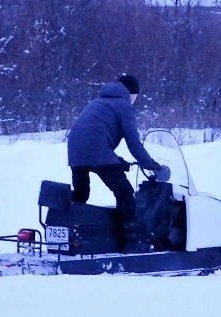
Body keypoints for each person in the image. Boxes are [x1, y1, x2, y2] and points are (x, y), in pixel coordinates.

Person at [67, 74, 169, 252]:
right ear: (131, 94)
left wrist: (118, 162)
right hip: (96, 150)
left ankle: (71, 236)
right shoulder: (123, 105)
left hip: (75, 151)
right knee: (125, 194)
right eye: (136, 97)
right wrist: (152, 165)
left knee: (81, 195)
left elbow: (94, 135)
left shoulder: (99, 101)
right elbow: (134, 144)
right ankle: (131, 243)